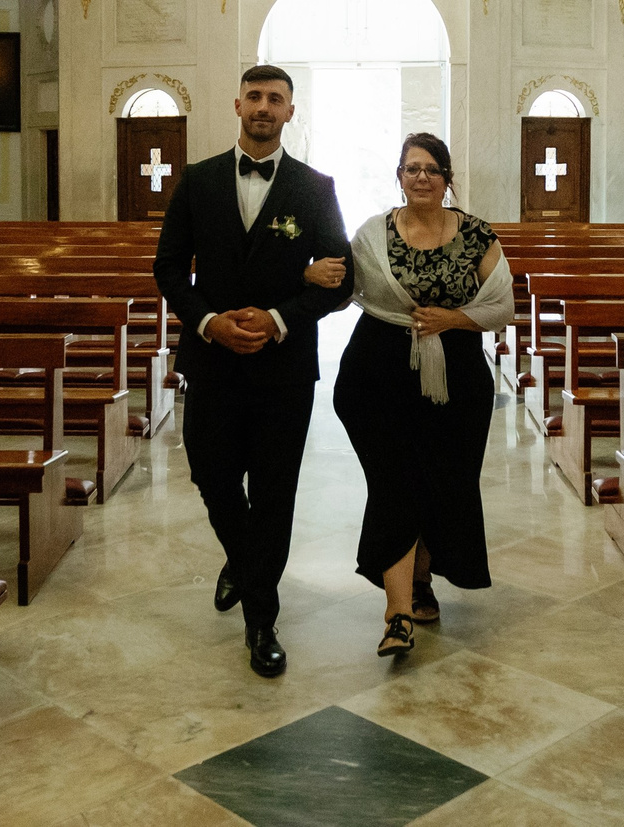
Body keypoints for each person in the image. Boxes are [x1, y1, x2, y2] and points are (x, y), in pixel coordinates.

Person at [151, 65, 353, 678]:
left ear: (291, 112)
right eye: (256, 97)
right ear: (237, 104)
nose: (265, 107)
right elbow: (167, 270)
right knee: (212, 476)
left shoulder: (314, 188)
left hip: (283, 368)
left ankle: (261, 616)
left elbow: (340, 276)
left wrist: (278, 317)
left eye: (277, 99)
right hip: (211, 360)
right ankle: (243, 560)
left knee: (273, 491)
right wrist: (208, 321)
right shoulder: (198, 181)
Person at [331, 133, 514, 658]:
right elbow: (344, 291)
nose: (421, 177)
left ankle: (422, 580)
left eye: (432, 169)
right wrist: (306, 275)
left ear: (448, 178)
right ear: (399, 175)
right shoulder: (372, 234)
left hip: (455, 375)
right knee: (396, 484)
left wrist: (452, 319)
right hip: (377, 374)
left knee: (441, 483)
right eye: (412, 168)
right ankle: (398, 614)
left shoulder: (477, 235)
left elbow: (501, 306)